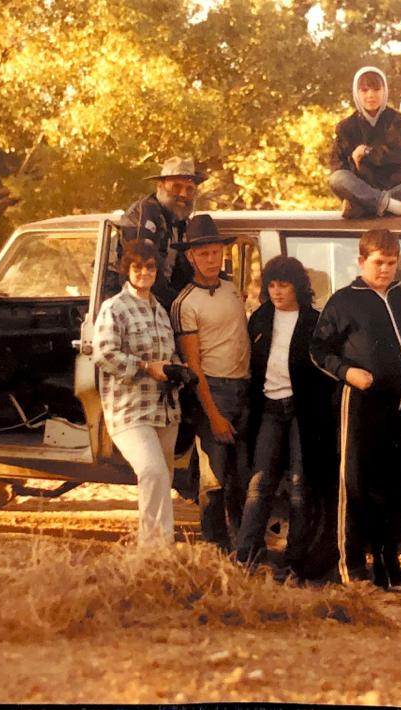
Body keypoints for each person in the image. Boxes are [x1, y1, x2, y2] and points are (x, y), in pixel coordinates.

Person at [310, 228, 401, 591]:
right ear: (362, 261)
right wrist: (348, 373)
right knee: (356, 487)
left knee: (393, 491)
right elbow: (318, 350)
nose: (385, 270)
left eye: (392, 264)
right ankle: (353, 570)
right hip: (360, 405)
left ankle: (388, 570)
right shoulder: (345, 301)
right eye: (379, 263)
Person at [234, 256, 335, 574]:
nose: (277, 292)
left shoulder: (314, 321)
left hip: (302, 413)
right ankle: (244, 556)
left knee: (299, 486)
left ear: (298, 287)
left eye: (284, 285)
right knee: (259, 483)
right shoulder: (261, 318)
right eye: (272, 285)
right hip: (269, 408)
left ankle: (295, 562)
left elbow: (323, 372)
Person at [93, 240, 183, 546]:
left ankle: (161, 553)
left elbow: (167, 358)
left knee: (162, 481)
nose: (144, 272)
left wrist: (178, 371)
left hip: (165, 409)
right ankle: (152, 553)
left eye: (150, 267)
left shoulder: (161, 310)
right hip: (129, 409)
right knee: (152, 472)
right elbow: (104, 354)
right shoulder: (114, 308)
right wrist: (145, 366)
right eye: (137, 267)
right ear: (126, 270)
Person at [170, 215, 252, 552]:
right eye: (203, 254)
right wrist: (214, 415)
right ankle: (215, 547)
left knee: (241, 475)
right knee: (213, 478)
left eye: (215, 253)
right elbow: (194, 367)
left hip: (243, 388)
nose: (210, 260)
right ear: (190, 257)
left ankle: (244, 546)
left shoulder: (232, 290)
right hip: (212, 390)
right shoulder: (185, 303)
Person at [329, 66, 401, 220]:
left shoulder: (396, 121)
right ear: (356, 92)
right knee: (338, 179)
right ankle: (398, 208)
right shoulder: (346, 127)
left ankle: (365, 209)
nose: (371, 95)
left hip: (395, 189)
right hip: (362, 191)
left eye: (376, 89)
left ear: (384, 91)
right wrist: (355, 162)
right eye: (364, 90)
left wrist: (367, 152)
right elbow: (337, 167)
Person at [122, 156, 207, 305]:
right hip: (133, 301)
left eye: (189, 189)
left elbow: (182, 270)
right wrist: (178, 304)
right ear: (160, 186)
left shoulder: (179, 221)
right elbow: (143, 268)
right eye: (176, 187)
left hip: (158, 297)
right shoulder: (145, 213)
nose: (183, 194)